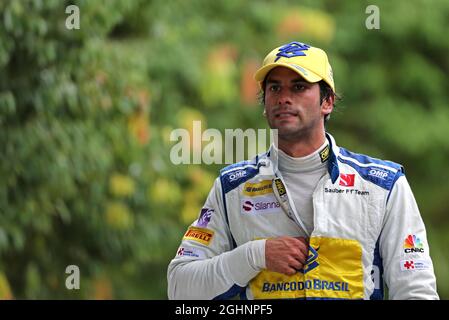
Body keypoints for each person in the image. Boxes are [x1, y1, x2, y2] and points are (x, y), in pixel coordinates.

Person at [167, 41, 439, 300]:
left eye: (298, 87)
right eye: (274, 88)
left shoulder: (383, 185)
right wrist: (255, 255)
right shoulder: (232, 187)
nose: (283, 98)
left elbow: (416, 291)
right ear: (264, 105)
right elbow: (181, 287)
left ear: (327, 102)